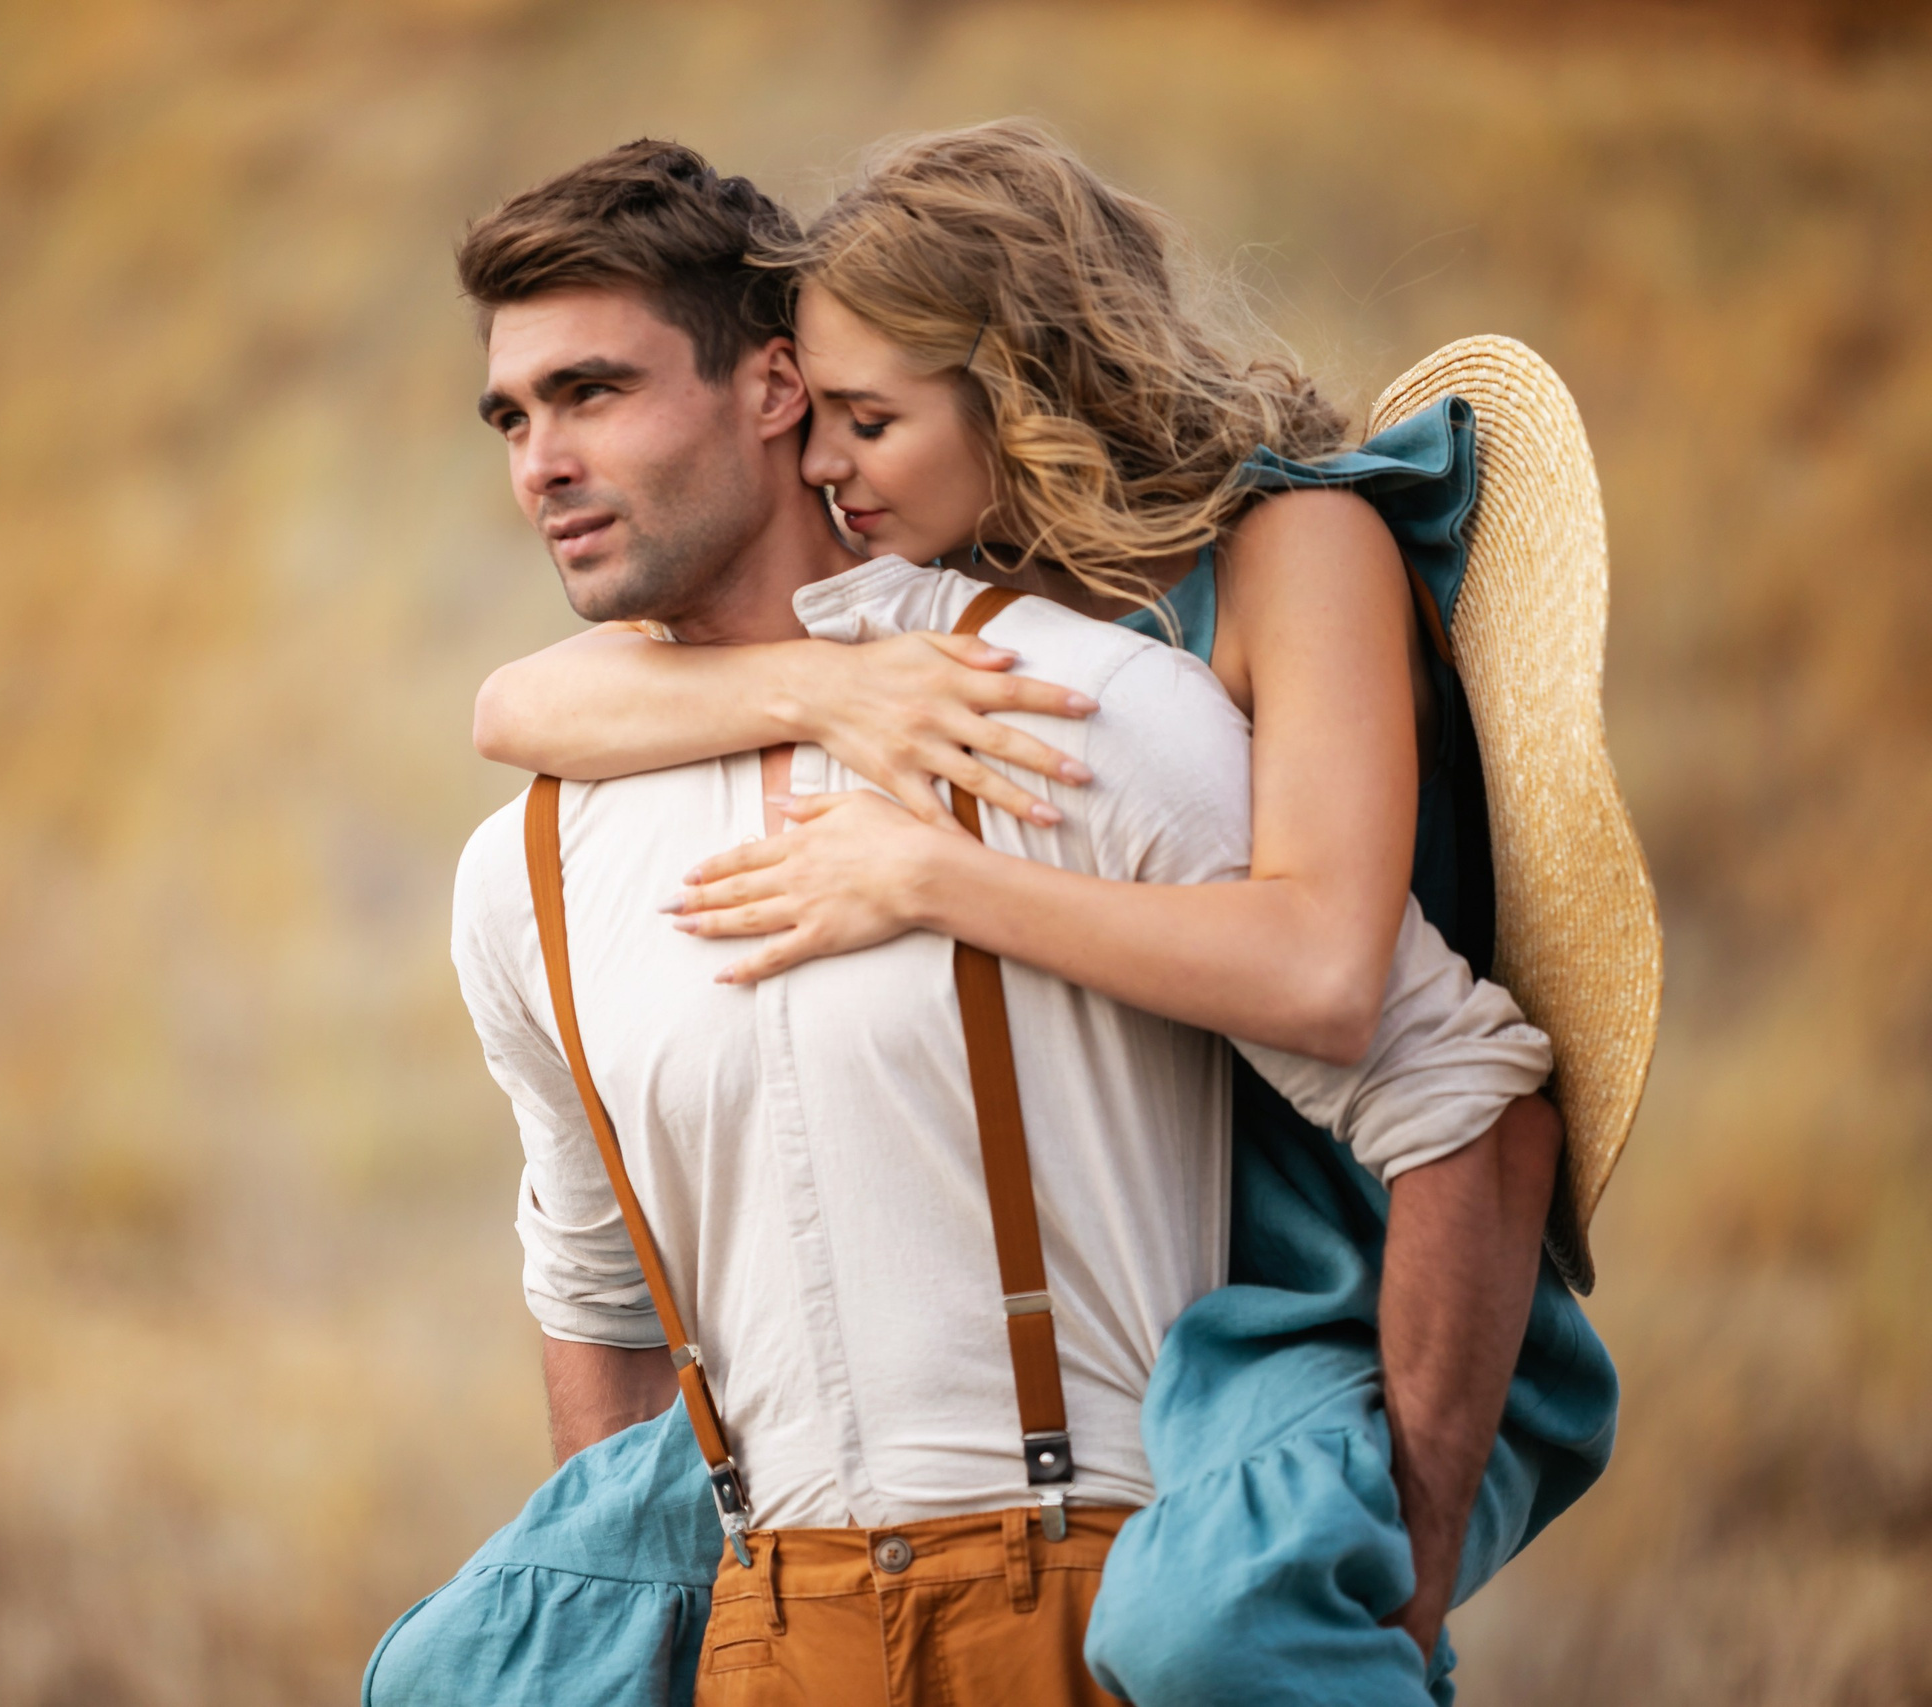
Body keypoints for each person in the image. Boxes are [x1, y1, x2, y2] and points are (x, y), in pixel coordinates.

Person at [420, 137, 1585, 1706]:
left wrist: (1407, 1594)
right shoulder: (563, 843)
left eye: (593, 394)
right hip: (780, 1628)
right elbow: (594, 1282)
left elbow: (1394, 1036)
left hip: (1202, 1438)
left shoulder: (1138, 651)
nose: (536, 463)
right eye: (511, 416)